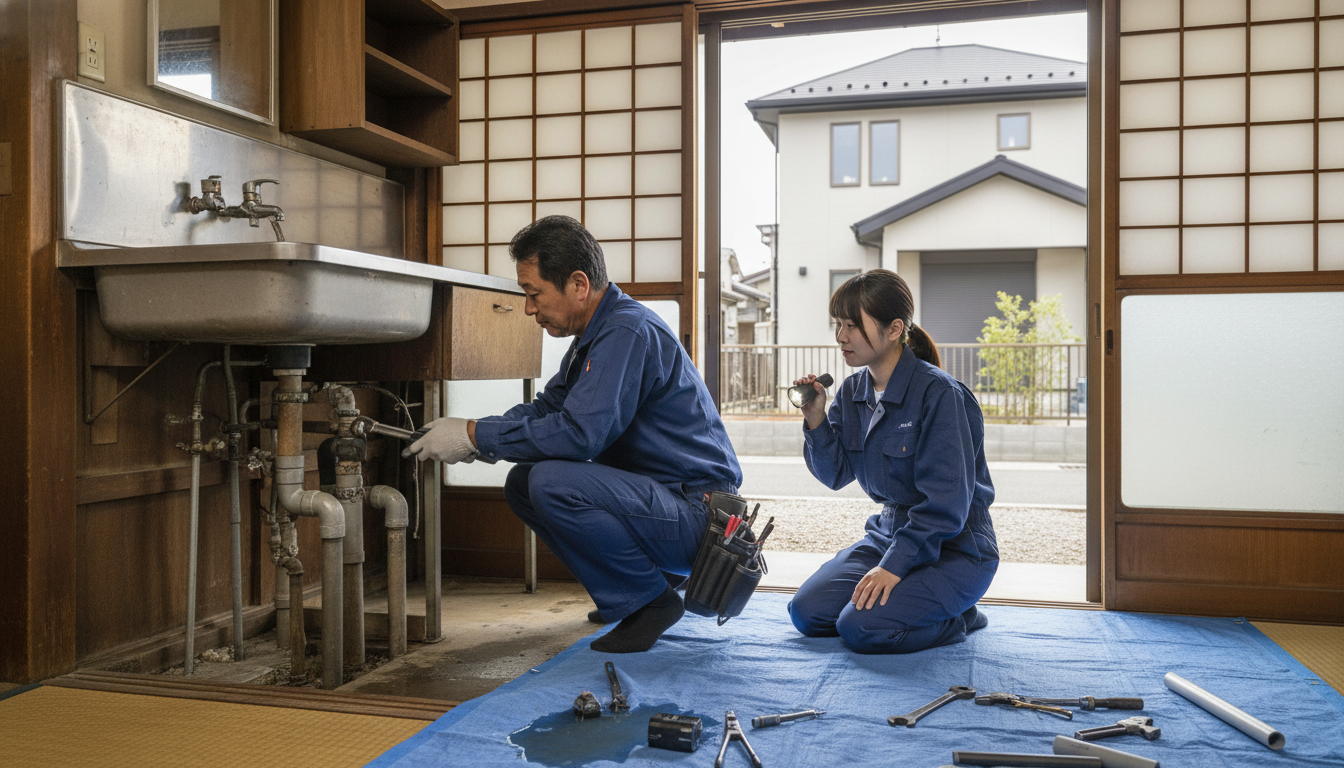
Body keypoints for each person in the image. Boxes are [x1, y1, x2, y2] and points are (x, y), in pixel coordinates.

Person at [406, 215, 742, 653]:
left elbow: (581, 435)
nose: (529, 309)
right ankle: (639, 586)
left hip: (703, 518)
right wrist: (474, 435)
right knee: (524, 483)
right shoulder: (597, 333)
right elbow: (550, 407)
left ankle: (650, 604)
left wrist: (475, 435)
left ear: (578, 284)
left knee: (551, 482)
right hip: (668, 503)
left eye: (534, 294)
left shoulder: (626, 331)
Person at [788, 269, 998, 654]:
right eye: (838, 324)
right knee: (807, 613)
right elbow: (835, 474)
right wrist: (816, 416)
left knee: (860, 628)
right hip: (889, 536)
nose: (841, 336)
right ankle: (919, 605)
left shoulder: (941, 395)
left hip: (955, 548)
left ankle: (959, 616)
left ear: (894, 329)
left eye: (852, 325)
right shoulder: (853, 391)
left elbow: (946, 507)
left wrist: (893, 567)